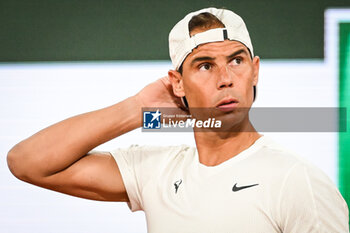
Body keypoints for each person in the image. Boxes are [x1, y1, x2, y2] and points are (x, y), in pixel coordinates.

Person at [6, 7, 349, 233]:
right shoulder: (158, 170)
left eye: (237, 61)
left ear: (254, 70)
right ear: (177, 82)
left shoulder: (295, 179)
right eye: (204, 66)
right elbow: (28, 162)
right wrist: (138, 110)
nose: (226, 78)